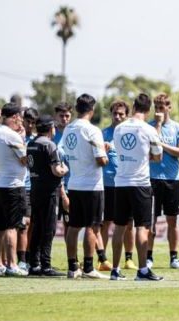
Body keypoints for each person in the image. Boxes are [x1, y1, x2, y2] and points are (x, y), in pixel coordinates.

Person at [111, 93, 164, 281]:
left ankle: (115, 270)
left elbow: (120, 151)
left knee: (119, 228)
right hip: (140, 183)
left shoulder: (119, 129)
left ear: (133, 107)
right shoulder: (149, 130)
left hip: (121, 182)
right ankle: (142, 270)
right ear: (148, 111)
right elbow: (158, 156)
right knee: (142, 227)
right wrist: (145, 156)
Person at [61, 94, 108, 279]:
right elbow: (101, 160)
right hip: (92, 185)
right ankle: (88, 267)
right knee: (92, 227)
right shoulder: (93, 130)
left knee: (73, 227)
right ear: (92, 110)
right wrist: (107, 151)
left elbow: (64, 152)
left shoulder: (68, 129)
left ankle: (73, 267)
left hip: (74, 183)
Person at [148, 93, 179, 270]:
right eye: (156, 108)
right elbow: (151, 148)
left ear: (169, 108)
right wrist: (156, 125)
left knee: (172, 220)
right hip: (151, 178)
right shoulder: (148, 127)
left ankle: (173, 258)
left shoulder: (178, 128)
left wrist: (163, 145)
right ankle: (148, 257)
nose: (159, 111)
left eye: (162, 108)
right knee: (151, 220)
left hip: (172, 179)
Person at [26, 115, 69, 276]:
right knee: (49, 228)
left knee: (37, 227)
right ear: (50, 128)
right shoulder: (50, 145)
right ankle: (46, 265)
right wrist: (65, 169)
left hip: (35, 189)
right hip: (50, 191)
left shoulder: (31, 144)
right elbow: (56, 170)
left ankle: (34, 264)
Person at [0, 103, 29, 276]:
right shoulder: (11, 135)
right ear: (13, 117)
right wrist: (22, 138)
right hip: (13, 185)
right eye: (20, 118)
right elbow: (25, 160)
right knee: (12, 226)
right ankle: (12, 265)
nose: (21, 121)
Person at [100, 100, 136, 271]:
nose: (118, 116)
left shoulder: (131, 133)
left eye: (121, 114)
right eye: (115, 113)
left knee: (129, 224)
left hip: (126, 183)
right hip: (106, 184)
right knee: (105, 223)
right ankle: (103, 260)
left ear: (127, 115)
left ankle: (129, 259)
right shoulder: (102, 133)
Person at [17, 107, 39, 272]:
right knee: (24, 223)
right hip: (22, 186)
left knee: (33, 225)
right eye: (28, 121)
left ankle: (31, 258)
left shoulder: (37, 139)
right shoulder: (17, 138)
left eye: (33, 122)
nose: (30, 125)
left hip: (36, 187)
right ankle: (22, 260)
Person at [53, 102, 73, 235]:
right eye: (61, 116)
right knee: (50, 225)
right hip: (53, 186)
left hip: (71, 185)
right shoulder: (51, 134)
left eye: (67, 116)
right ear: (56, 116)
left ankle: (71, 256)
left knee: (70, 224)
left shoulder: (74, 132)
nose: (64, 119)